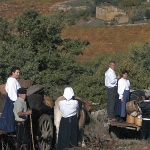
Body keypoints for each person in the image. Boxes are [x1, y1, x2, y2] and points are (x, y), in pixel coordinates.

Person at [0, 66, 21, 132]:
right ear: (13, 72)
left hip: (12, 99)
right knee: (10, 115)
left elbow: (7, 88)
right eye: (17, 72)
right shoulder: (11, 80)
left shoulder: (12, 80)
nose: (18, 74)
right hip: (12, 99)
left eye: (19, 72)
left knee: (9, 114)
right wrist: (15, 101)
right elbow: (12, 91)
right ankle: (10, 129)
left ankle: (9, 128)